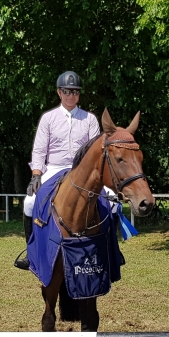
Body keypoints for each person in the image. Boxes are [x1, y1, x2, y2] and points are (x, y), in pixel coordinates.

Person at [14, 70, 101, 270]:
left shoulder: (90, 119)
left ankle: (111, 250)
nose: (71, 95)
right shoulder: (48, 118)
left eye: (75, 92)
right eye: (67, 91)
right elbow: (39, 149)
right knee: (29, 202)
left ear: (79, 94)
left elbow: (95, 151)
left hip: (82, 171)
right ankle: (31, 252)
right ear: (59, 93)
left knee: (110, 202)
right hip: (54, 168)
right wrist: (36, 174)